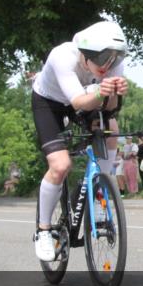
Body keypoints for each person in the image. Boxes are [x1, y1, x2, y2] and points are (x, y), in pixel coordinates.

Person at [30, 20, 130, 261]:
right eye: (102, 59)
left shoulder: (114, 62)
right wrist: (101, 91)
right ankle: (43, 231)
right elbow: (77, 102)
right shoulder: (62, 56)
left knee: (110, 129)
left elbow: (110, 109)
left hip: (87, 97)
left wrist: (114, 92)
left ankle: (100, 189)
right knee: (61, 165)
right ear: (85, 55)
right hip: (51, 103)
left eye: (113, 59)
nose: (107, 66)